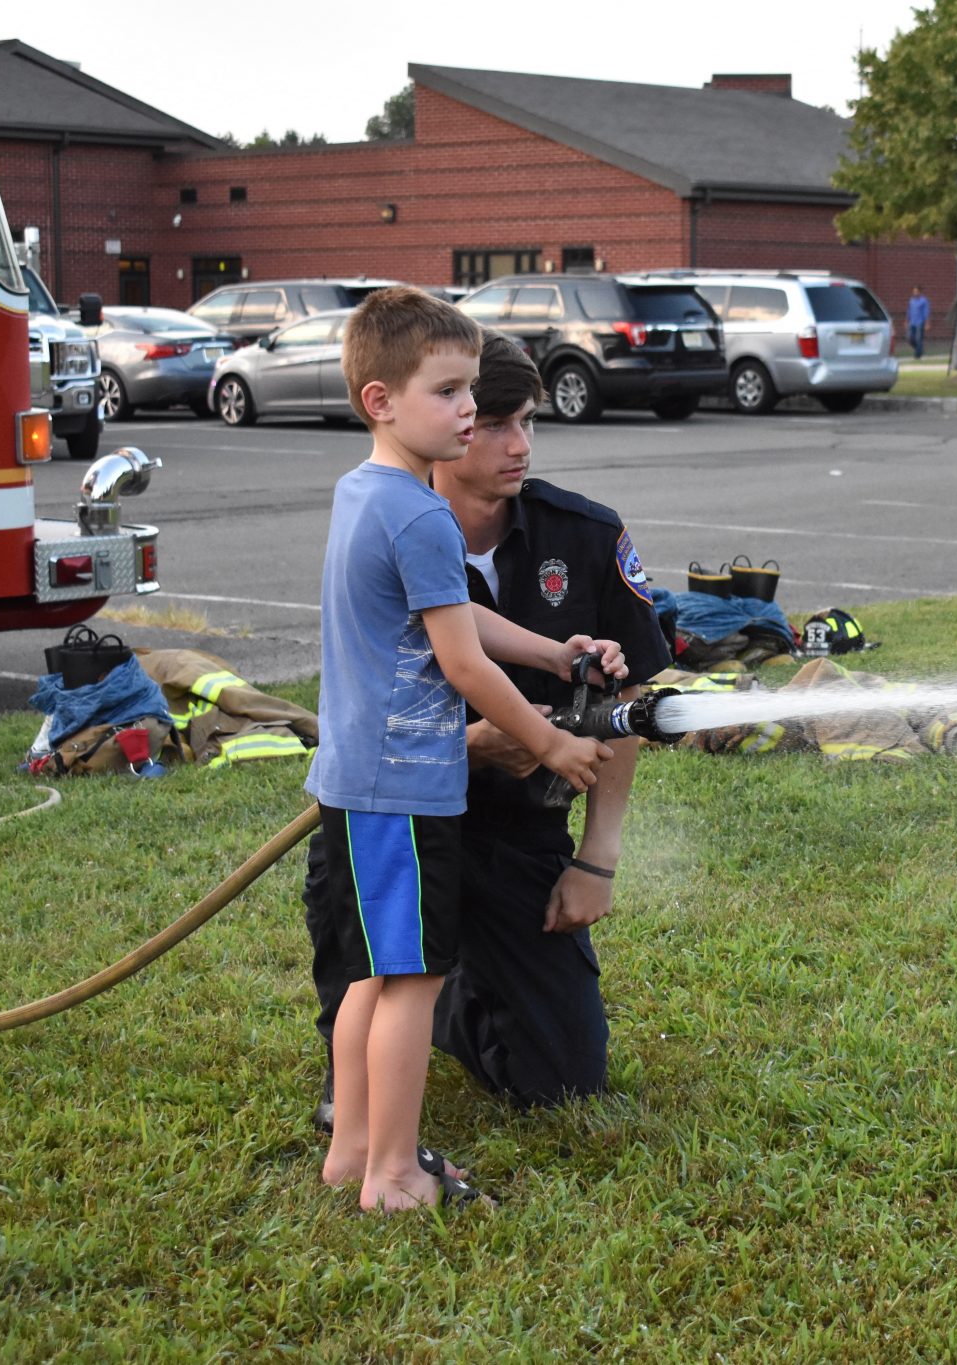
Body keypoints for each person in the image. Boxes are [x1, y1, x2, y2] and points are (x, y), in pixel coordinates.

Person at [307, 288, 622, 1214]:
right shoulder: (420, 515)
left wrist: (552, 649)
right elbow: (462, 663)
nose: (470, 414)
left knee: (379, 973)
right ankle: (394, 1173)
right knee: (413, 981)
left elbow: (468, 617)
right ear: (380, 400)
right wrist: (552, 740)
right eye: (450, 393)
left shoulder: (370, 493)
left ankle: (352, 1149)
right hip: (405, 790)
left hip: (362, 784)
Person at [906, 285, 931, 361]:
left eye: (916, 291)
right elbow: (909, 311)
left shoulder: (924, 301)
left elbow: (926, 312)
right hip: (912, 322)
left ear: (920, 292)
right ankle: (920, 349)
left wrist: (927, 323)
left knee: (919, 339)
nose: (915, 293)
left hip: (920, 322)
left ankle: (917, 356)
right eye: (914, 291)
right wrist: (906, 320)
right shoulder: (911, 301)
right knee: (910, 338)